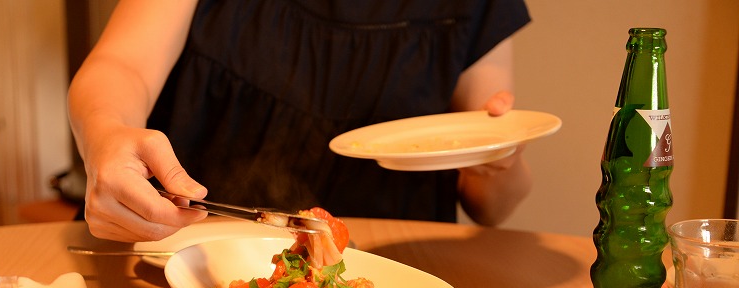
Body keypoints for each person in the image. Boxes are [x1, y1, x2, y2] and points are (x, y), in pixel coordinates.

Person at [68, 0, 532, 243]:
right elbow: (122, 66)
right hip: (174, 261)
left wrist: (498, 158)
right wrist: (106, 135)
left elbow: (491, 206)